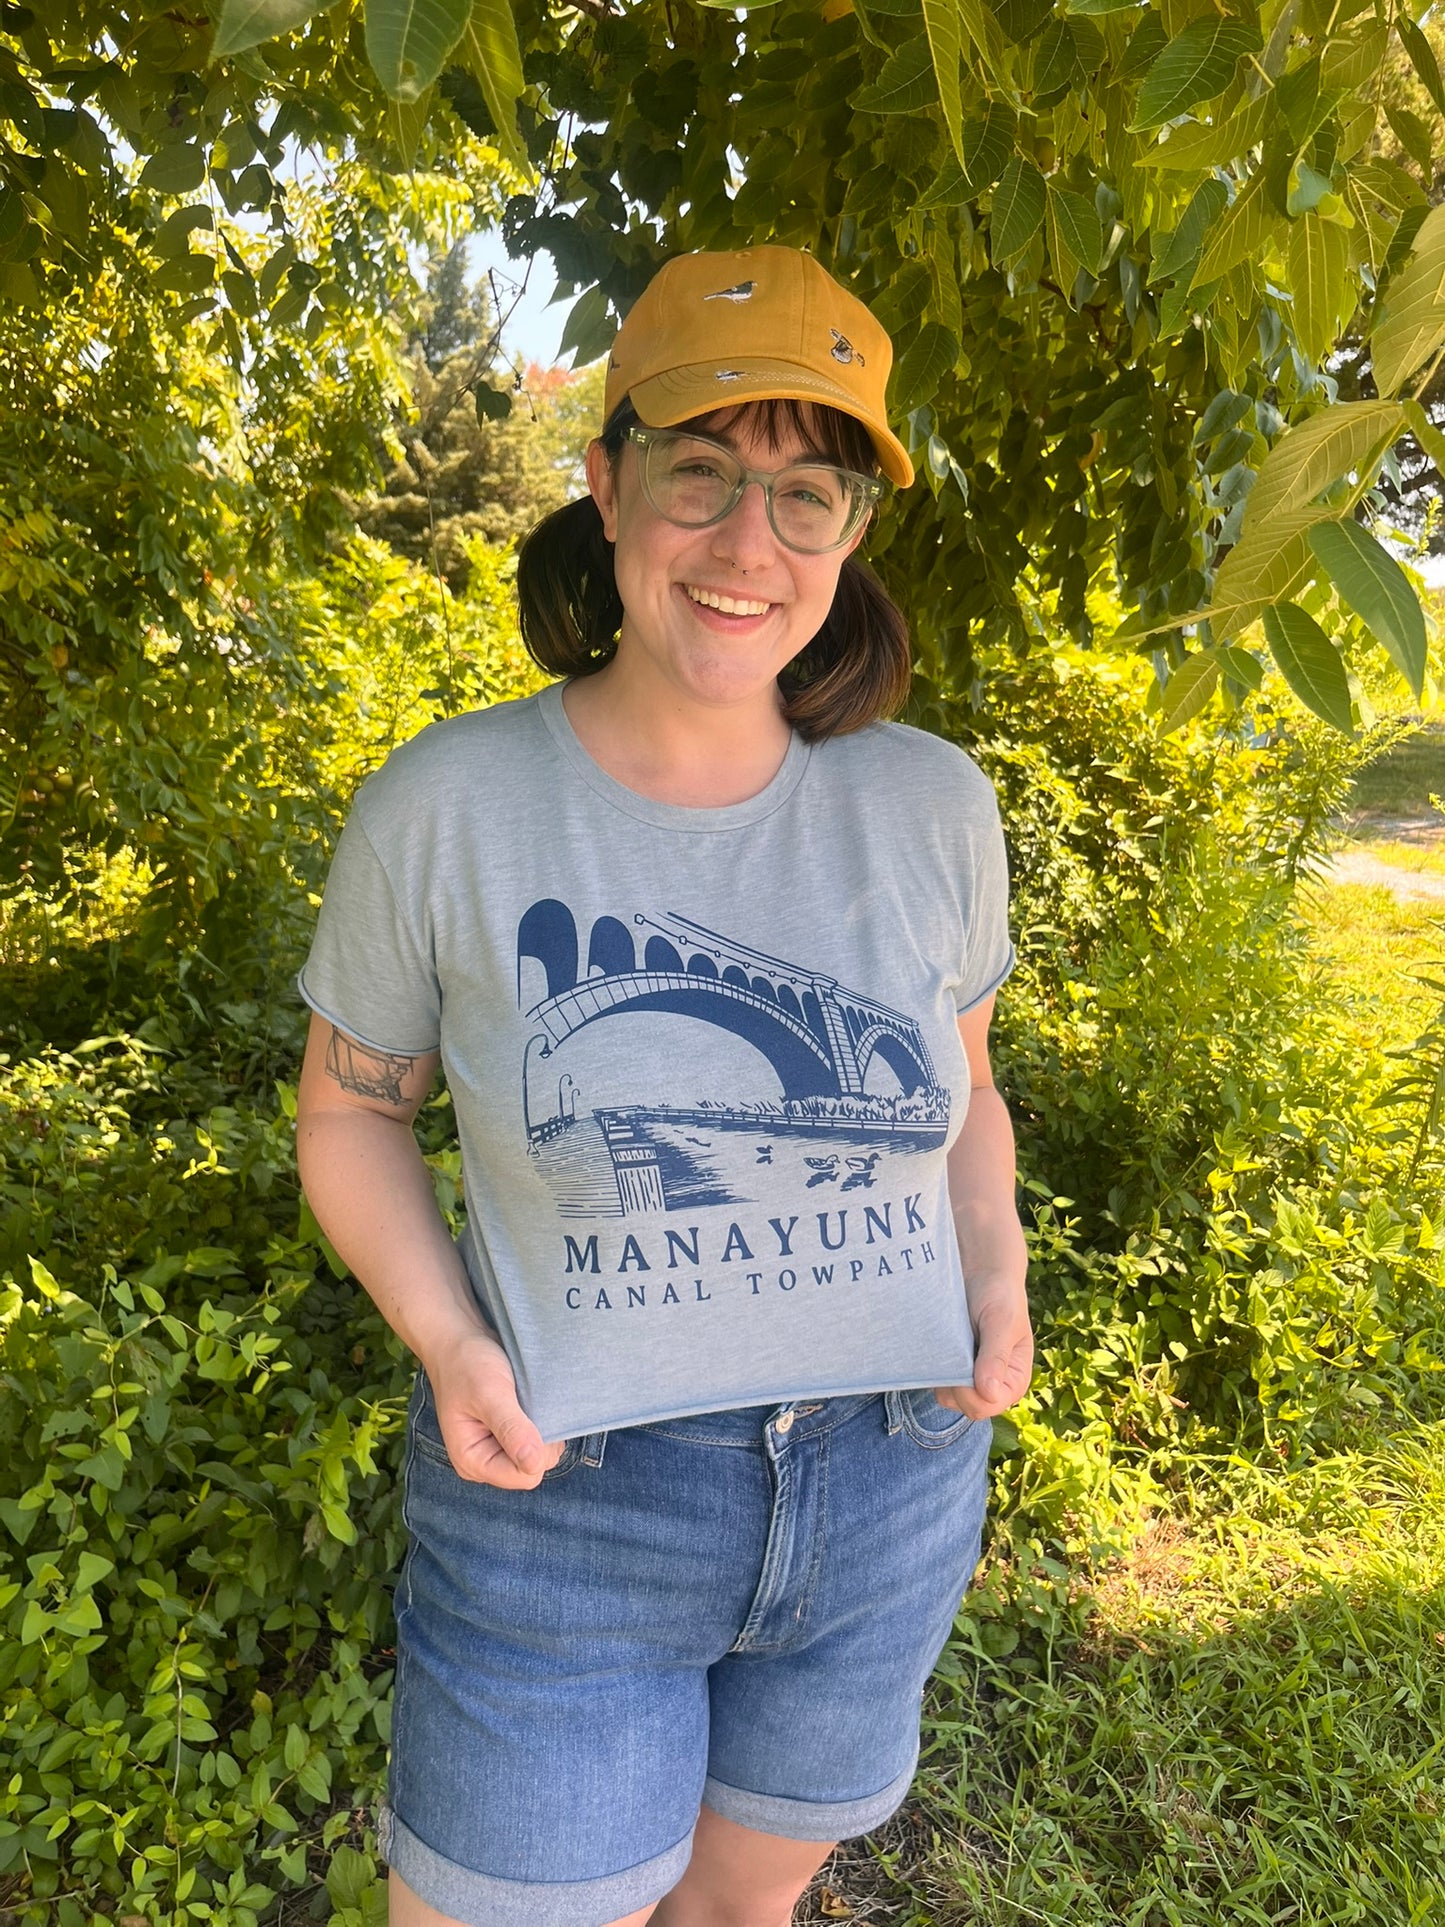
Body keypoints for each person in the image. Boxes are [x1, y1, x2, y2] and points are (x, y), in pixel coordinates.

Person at [295, 243, 1034, 1927]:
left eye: (807, 493)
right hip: (571, 1504)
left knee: (738, 1913)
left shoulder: (930, 806)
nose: (746, 545)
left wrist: (992, 1274)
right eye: (700, 472)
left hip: (893, 1473)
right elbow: (349, 1109)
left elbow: (963, 1095)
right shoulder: (451, 806)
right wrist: (449, 1339)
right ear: (607, 483)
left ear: (852, 534)